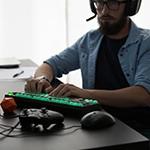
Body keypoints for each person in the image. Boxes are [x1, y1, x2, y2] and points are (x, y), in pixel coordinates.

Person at [25, 0, 150, 137]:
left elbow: (143, 95)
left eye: (113, 3)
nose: (104, 11)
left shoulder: (146, 42)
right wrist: (41, 79)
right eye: (99, 3)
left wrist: (85, 93)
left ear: (131, 6)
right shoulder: (90, 39)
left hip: (137, 129)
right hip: (95, 121)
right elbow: (50, 65)